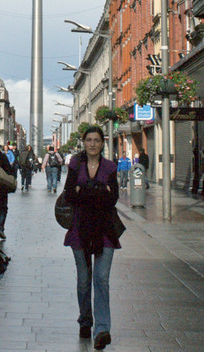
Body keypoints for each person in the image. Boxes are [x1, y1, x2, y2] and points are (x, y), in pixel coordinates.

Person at [63, 125, 122, 350]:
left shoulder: (110, 167)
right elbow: (69, 194)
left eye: (97, 140)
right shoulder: (75, 165)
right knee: (84, 280)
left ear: (102, 143)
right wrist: (98, 191)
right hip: (80, 229)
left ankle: (102, 329)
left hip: (105, 230)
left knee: (101, 279)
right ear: (83, 142)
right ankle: (86, 320)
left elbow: (113, 198)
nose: (93, 144)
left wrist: (85, 191)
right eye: (89, 140)